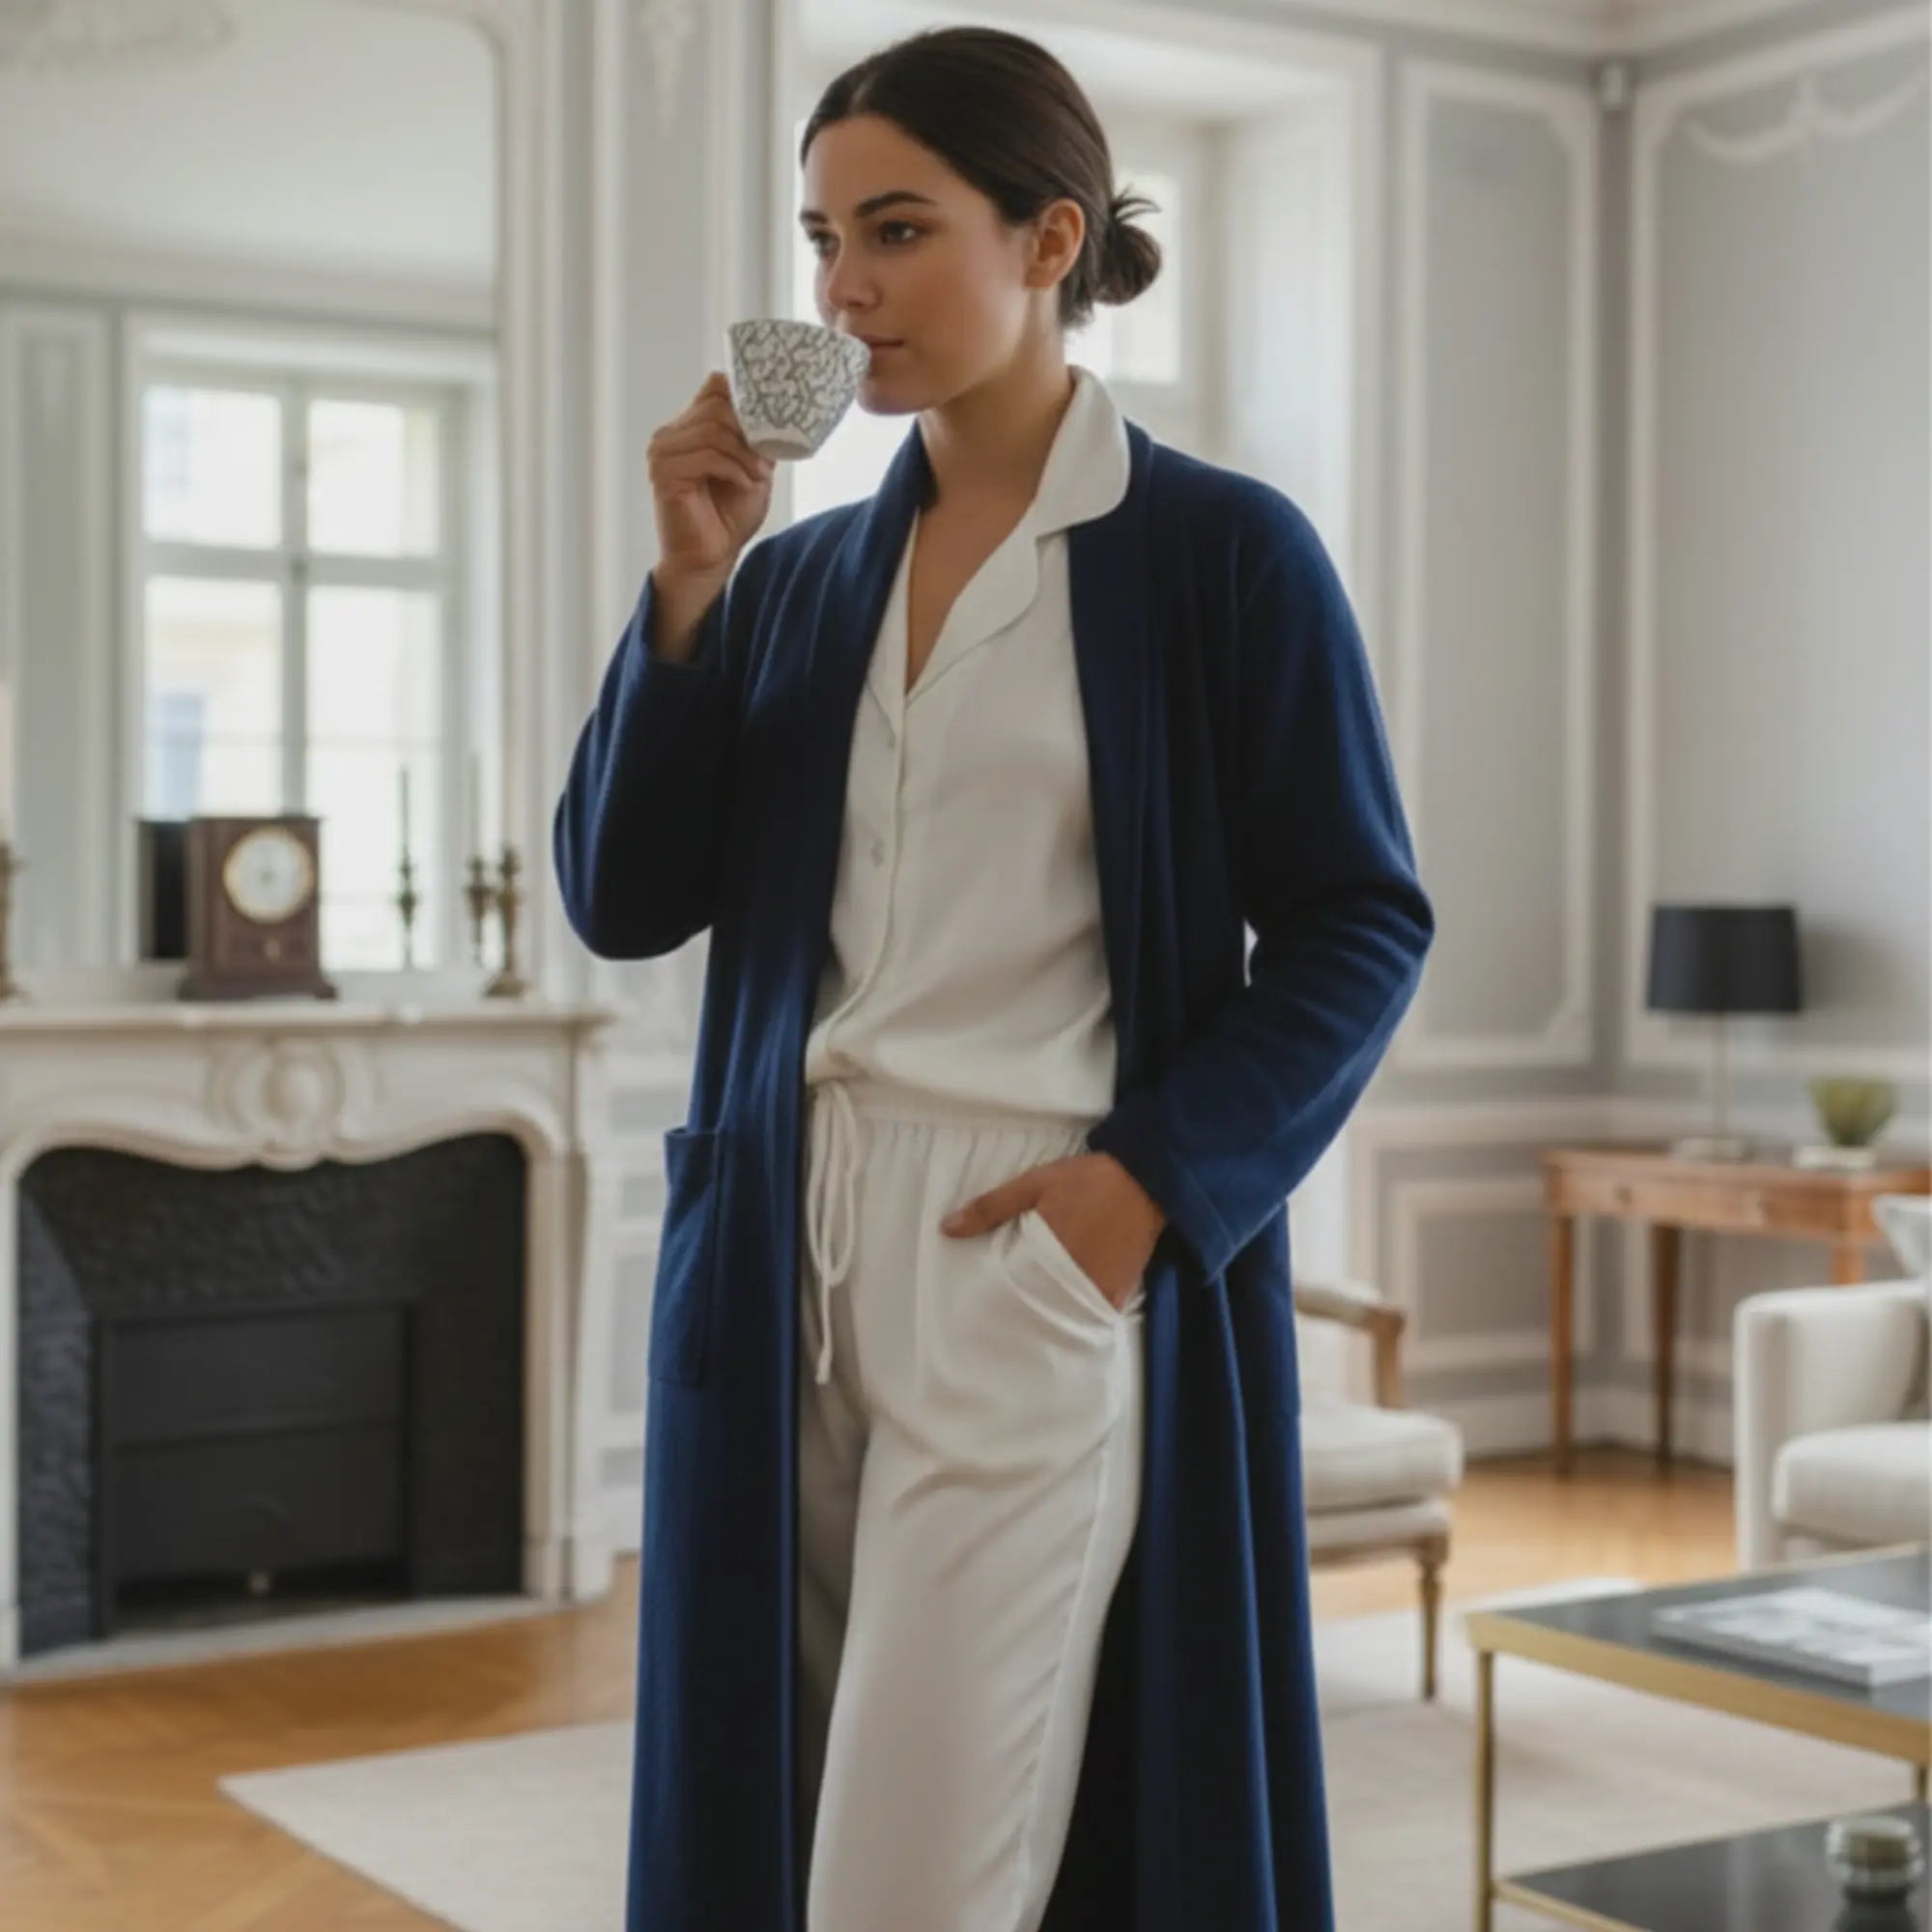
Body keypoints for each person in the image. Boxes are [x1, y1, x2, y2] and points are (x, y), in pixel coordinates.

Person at [554, 25, 1434, 1932]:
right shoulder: (791, 582)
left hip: (1026, 1248)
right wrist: (688, 589)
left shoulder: (1220, 557)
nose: (840, 290)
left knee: (909, 1874)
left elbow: (1364, 920)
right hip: (784, 1249)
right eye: (814, 241)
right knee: (771, 1834)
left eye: (891, 230)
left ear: (1049, 242)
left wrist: (1143, 1197)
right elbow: (622, 899)